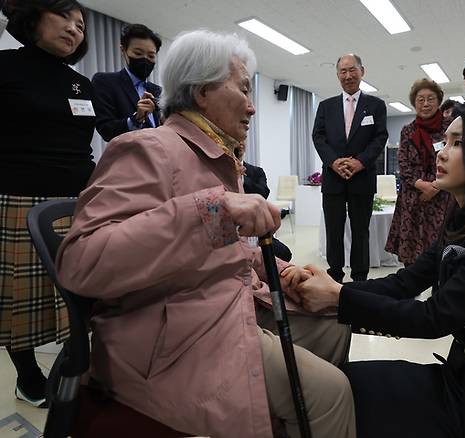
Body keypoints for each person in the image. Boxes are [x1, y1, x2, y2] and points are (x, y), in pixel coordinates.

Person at [56, 30, 356, 438]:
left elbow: (216, 250)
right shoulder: (149, 148)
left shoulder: (215, 158)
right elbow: (82, 262)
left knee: (335, 320)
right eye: (245, 89)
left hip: (220, 307)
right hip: (171, 338)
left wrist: (282, 270)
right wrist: (213, 210)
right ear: (200, 93)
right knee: (331, 393)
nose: (252, 107)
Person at [298, 101, 465, 438]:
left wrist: (338, 298)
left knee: (341, 393)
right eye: (445, 141)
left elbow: (436, 316)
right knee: (339, 383)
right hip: (462, 379)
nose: (441, 153)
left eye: (459, 143)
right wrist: (323, 289)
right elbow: (406, 281)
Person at [0, 0, 95, 408]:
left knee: (78, 296)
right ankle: (29, 380)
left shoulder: (81, 84)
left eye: (81, 25)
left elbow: (82, 148)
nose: (75, 30)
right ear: (34, 17)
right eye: (65, 18)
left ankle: (74, 370)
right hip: (17, 197)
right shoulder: (5, 68)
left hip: (77, 201)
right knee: (17, 300)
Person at [312, 53, 388, 282]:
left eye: (352, 70)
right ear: (337, 75)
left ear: (362, 71)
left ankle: (359, 279)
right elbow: (318, 137)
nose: (348, 75)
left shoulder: (376, 105)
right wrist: (334, 162)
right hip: (333, 179)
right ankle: (334, 277)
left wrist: (360, 162)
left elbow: (380, 137)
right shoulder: (326, 106)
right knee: (334, 232)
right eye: (343, 71)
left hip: (362, 178)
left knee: (361, 232)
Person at [385, 78, 454, 266]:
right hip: (412, 197)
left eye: (430, 98)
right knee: (411, 255)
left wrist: (435, 187)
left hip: (442, 198)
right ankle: (410, 293)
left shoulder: (450, 128)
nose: (425, 104)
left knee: (440, 253)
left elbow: (455, 160)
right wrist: (421, 184)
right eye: (420, 99)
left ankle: (440, 292)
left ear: (438, 101)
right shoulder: (408, 131)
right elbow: (404, 163)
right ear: (414, 103)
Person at [92, 23, 162, 142]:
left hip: (159, 156)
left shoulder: (157, 90)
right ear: (123, 50)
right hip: (128, 157)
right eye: (138, 54)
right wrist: (135, 119)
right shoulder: (105, 82)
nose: (145, 60)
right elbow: (106, 129)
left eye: (151, 56)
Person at [235, 143, 293, 262]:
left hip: (256, 229)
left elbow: (263, 193)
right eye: (236, 141)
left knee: (285, 254)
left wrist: (241, 178)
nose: (240, 145)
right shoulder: (220, 171)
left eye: (243, 141)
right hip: (232, 232)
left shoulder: (256, 171)